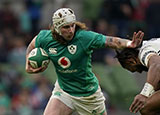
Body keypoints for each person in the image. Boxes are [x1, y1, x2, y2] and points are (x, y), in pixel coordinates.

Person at [25, 8, 144, 115]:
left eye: (72, 25)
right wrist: (27, 64)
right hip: (64, 91)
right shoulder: (45, 38)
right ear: (57, 28)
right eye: (66, 27)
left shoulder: (84, 38)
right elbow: (31, 45)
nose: (71, 30)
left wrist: (129, 43)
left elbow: (111, 41)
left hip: (88, 96)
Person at [116, 37, 160, 115]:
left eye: (133, 69)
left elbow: (157, 65)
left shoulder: (144, 52)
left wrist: (144, 94)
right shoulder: (152, 45)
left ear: (131, 61)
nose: (139, 72)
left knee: (145, 108)